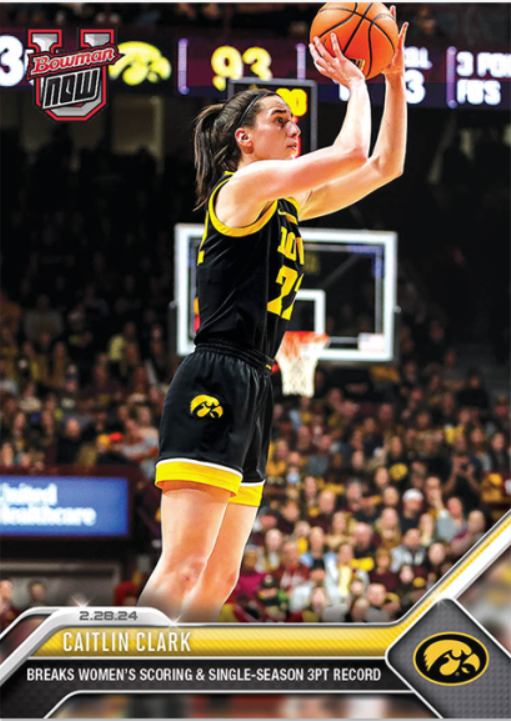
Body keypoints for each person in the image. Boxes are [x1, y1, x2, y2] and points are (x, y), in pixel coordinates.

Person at [138, 11, 408, 622]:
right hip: (215, 376)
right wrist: (356, 80)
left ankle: (179, 671)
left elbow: (383, 165)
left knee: (221, 575)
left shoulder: (287, 201)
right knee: (184, 565)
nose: (293, 127)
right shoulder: (244, 187)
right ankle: (124, 668)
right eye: (279, 119)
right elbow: (351, 150)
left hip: (256, 381)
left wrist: (394, 78)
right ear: (244, 139)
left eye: (293, 119)